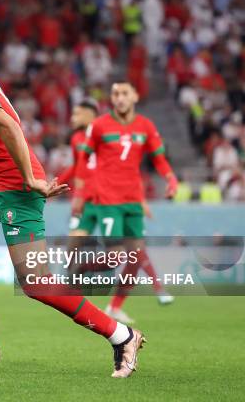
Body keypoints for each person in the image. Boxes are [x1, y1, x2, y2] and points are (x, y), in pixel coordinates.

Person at [0, 18, 145, 378]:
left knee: (37, 283)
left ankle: (121, 335)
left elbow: (8, 125)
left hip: (16, 191)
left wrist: (31, 178)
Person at [60, 100, 174, 325]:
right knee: (75, 241)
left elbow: (127, 170)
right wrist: (58, 186)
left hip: (106, 200)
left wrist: (138, 199)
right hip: (86, 202)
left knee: (126, 253)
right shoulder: (76, 139)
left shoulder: (106, 137)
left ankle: (128, 294)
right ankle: (70, 283)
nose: (72, 117)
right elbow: (76, 167)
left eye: (77, 113)